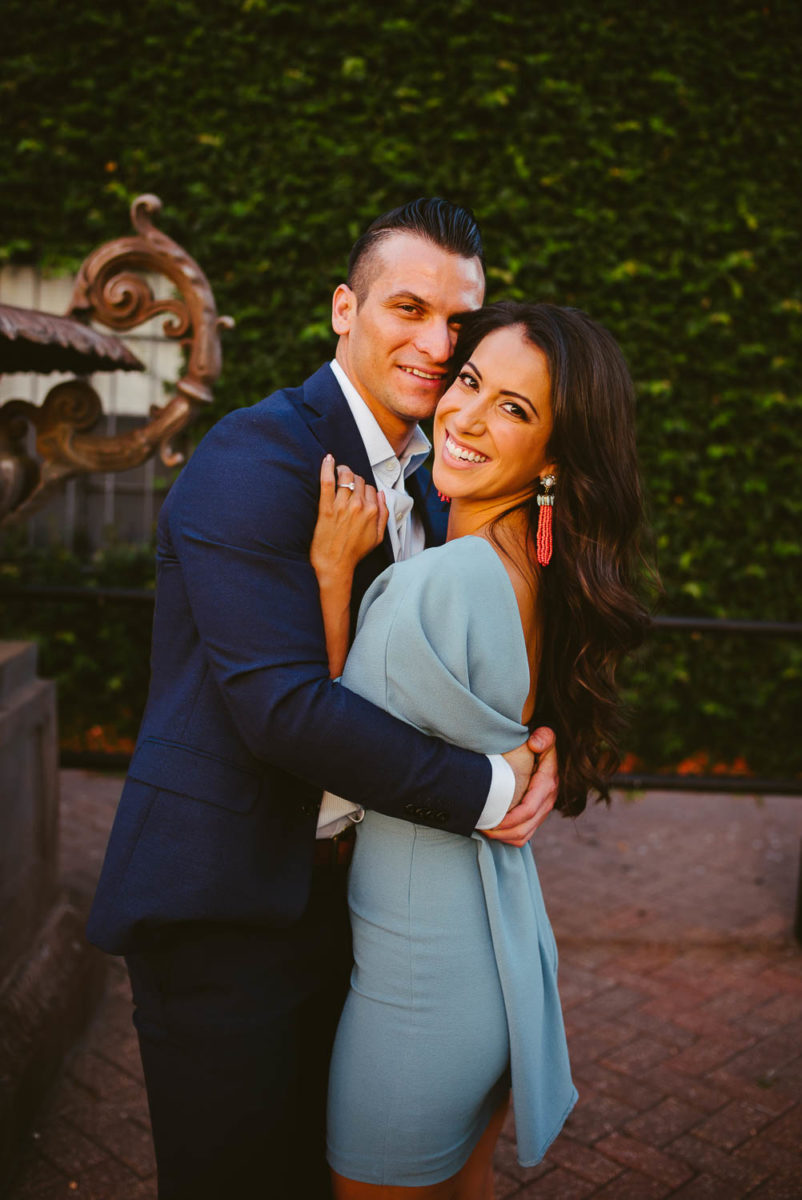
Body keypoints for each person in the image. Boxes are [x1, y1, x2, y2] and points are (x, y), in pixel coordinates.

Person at [85, 200, 560, 1200]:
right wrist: (489, 793)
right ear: (344, 310)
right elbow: (283, 712)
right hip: (224, 913)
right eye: (407, 308)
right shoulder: (252, 461)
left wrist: (544, 751)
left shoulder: (438, 484)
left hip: (350, 906)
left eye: (458, 325)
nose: (437, 345)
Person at [309, 301, 649, 1198]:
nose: (464, 417)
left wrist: (335, 576)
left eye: (515, 409)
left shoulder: (437, 584)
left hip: (415, 991)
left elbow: (327, 768)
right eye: (470, 382)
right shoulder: (530, 573)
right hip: (494, 961)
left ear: (553, 459)